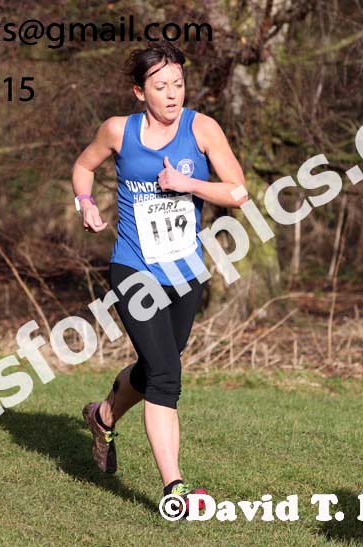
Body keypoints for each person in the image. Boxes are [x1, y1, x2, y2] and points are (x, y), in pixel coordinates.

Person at [70, 42, 247, 512]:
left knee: (154, 368)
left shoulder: (202, 128)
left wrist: (188, 183)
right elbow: (83, 167)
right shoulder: (117, 131)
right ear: (138, 91)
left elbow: (238, 191)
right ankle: (176, 487)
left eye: (178, 85)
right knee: (167, 375)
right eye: (160, 86)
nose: (172, 95)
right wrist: (85, 204)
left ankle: (103, 416)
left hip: (186, 272)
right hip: (134, 267)